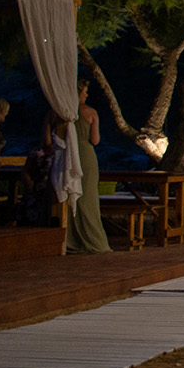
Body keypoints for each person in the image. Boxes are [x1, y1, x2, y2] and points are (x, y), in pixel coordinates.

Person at [65, 81, 110, 254]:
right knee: (88, 197)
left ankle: (69, 236)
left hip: (67, 154)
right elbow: (95, 140)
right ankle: (92, 238)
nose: (87, 95)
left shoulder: (59, 113)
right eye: (85, 91)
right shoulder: (90, 113)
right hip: (85, 155)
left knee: (68, 193)